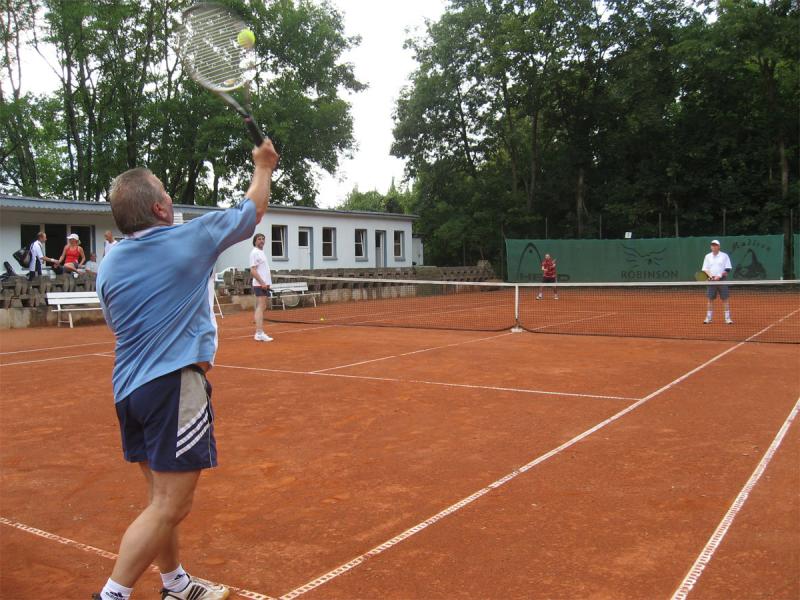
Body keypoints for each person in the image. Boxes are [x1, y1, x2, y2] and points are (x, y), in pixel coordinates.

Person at [93, 138, 279, 600]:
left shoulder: (109, 263)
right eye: (165, 191)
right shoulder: (190, 238)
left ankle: (175, 584)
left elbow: (116, 324)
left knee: (159, 501)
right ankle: (112, 595)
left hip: (128, 391)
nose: (171, 196)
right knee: (171, 505)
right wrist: (264, 166)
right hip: (172, 387)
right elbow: (253, 210)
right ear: (159, 208)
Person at [702, 239, 733, 324]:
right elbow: (705, 269)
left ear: (719, 246)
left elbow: (728, 269)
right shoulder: (707, 256)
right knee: (710, 299)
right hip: (711, 281)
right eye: (712, 245)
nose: (714, 247)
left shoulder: (724, 256)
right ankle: (708, 318)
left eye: (715, 245)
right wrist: (711, 277)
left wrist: (719, 276)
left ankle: (727, 318)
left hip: (722, 280)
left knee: (725, 299)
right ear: (711, 247)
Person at [249, 233, 273, 342]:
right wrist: (262, 283)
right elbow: (253, 271)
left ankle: (259, 332)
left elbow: (264, 270)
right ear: (255, 241)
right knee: (261, 306)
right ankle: (259, 333)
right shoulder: (254, 253)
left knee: (263, 307)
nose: (262, 240)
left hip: (264, 285)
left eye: (263, 239)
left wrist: (267, 283)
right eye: (259, 239)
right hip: (260, 284)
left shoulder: (261, 252)